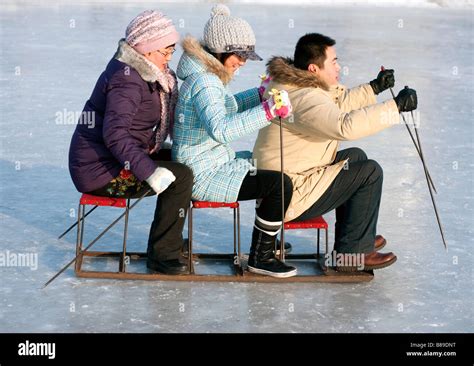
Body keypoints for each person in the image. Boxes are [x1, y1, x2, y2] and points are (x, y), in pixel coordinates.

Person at [253, 33, 418, 271]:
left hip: (289, 180)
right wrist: (396, 107)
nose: (339, 66)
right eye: (333, 61)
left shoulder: (296, 84)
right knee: (370, 172)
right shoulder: (304, 98)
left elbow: (335, 104)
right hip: (289, 195)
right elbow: (343, 125)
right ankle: (352, 254)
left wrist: (374, 89)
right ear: (313, 68)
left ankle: (354, 238)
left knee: (356, 157)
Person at [172, 4, 296, 278]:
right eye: (239, 55)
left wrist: (259, 94)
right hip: (202, 173)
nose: (242, 61)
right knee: (279, 183)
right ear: (219, 49)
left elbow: (225, 108)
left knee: (264, 163)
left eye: (246, 56)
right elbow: (221, 129)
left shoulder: (207, 77)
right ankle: (261, 257)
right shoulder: (205, 82)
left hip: (211, 161)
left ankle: (267, 238)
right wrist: (268, 111)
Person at [68, 10, 193, 275]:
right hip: (99, 170)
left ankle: (167, 240)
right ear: (146, 49)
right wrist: (149, 171)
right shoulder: (127, 79)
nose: (169, 59)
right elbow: (114, 134)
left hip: (115, 156)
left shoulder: (144, 72)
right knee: (180, 175)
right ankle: (162, 254)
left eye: (172, 51)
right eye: (165, 51)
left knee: (182, 160)